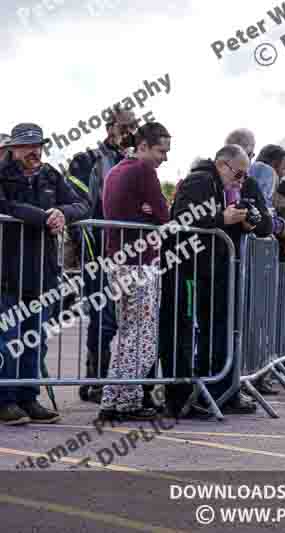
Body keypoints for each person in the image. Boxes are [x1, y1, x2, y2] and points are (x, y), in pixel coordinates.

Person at [159, 145, 273, 417]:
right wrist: (222, 218)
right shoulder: (200, 180)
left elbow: (265, 224)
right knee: (181, 334)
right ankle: (179, 399)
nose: (241, 181)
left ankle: (205, 393)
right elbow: (182, 220)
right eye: (239, 175)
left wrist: (245, 222)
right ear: (223, 165)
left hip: (210, 270)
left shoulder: (225, 186)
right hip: (186, 268)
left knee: (209, 333)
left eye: (245, 176)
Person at [0, 123, 88, 425]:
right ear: (13, 148)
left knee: (35, 339)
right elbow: (4, 205)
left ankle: (28, 397)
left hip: (42, 273)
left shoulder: (51, 175)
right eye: (26, 146)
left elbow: (82, 204)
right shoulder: (2, 174)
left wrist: (63, 213)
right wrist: (41, 217)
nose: (33, 151)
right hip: (6, 272)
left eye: (37, 145)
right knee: (8, 340)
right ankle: (5, 399)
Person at [98, 122, 171, 421]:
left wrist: (149, 211)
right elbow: (164, 214)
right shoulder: (142, 171)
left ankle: (112, 400)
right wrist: (151, 212)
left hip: (119, 260)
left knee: (129, 333)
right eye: (161, 150)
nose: (164, 158)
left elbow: (154, 211)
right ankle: (126, 400)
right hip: (139, 262)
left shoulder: (117, 169)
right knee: (142, 336)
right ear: (143, 146)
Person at [80, 109, 138, 403]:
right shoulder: (89, 158)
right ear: (109, 127)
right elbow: (82, 205)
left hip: (130, 251)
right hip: (99, 249)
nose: (129, 132)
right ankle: (95, 378)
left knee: (123, 317)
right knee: (103, 317)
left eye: (134, 127)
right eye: (125, 126)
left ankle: (115, 378)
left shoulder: (135, 161)